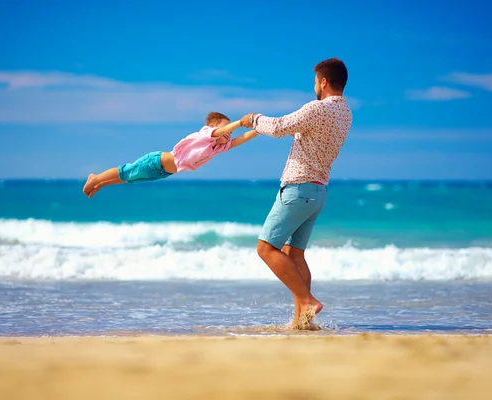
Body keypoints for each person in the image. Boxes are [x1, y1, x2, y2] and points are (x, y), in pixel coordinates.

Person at [240, 58, 353, 329]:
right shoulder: (345, 113)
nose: (314, 86)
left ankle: (307, 301)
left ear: (323, 82)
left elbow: (278, 127)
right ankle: (303, 321)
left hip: (298, 188)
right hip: (318, 192)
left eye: (315, 81)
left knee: (265, 248)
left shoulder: (317, 109)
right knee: (294, 253)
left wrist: (254, 119)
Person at [83, 112, 257, 198]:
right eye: (225, 129)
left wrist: (259, 129)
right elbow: (226, 130)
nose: (228, 135)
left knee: (132, 178)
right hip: (156, 162)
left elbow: (239, 140)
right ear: (214, 128)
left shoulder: (218, 147)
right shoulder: (206, 135)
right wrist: (240, 123)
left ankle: (102, 183)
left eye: (229, 133)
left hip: (164, 172)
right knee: (127, 171)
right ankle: (95, 178)